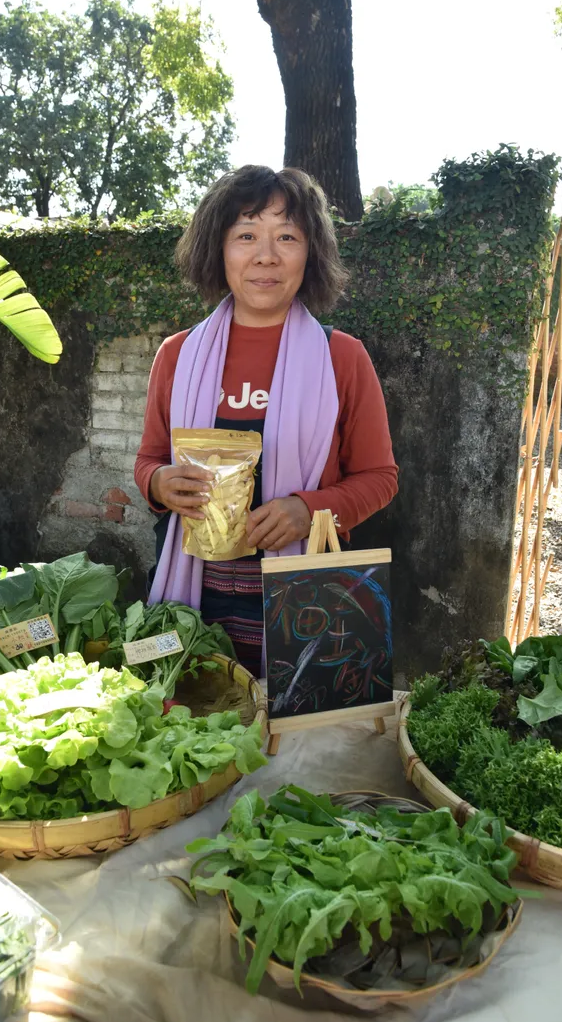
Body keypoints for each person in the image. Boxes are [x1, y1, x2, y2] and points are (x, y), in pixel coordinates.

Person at [134, 165, 398, 676]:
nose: (266, 255)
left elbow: (380, 478)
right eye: (246, 235)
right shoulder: (178, 356)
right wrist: (160, 482)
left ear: (310, 253)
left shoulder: (341, 357)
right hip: (195, 603)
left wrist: (310, 510)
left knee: (290, 725)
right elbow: (149, 459)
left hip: (305, 608)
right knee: (192, 712)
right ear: (219, 248)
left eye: (287, 237)